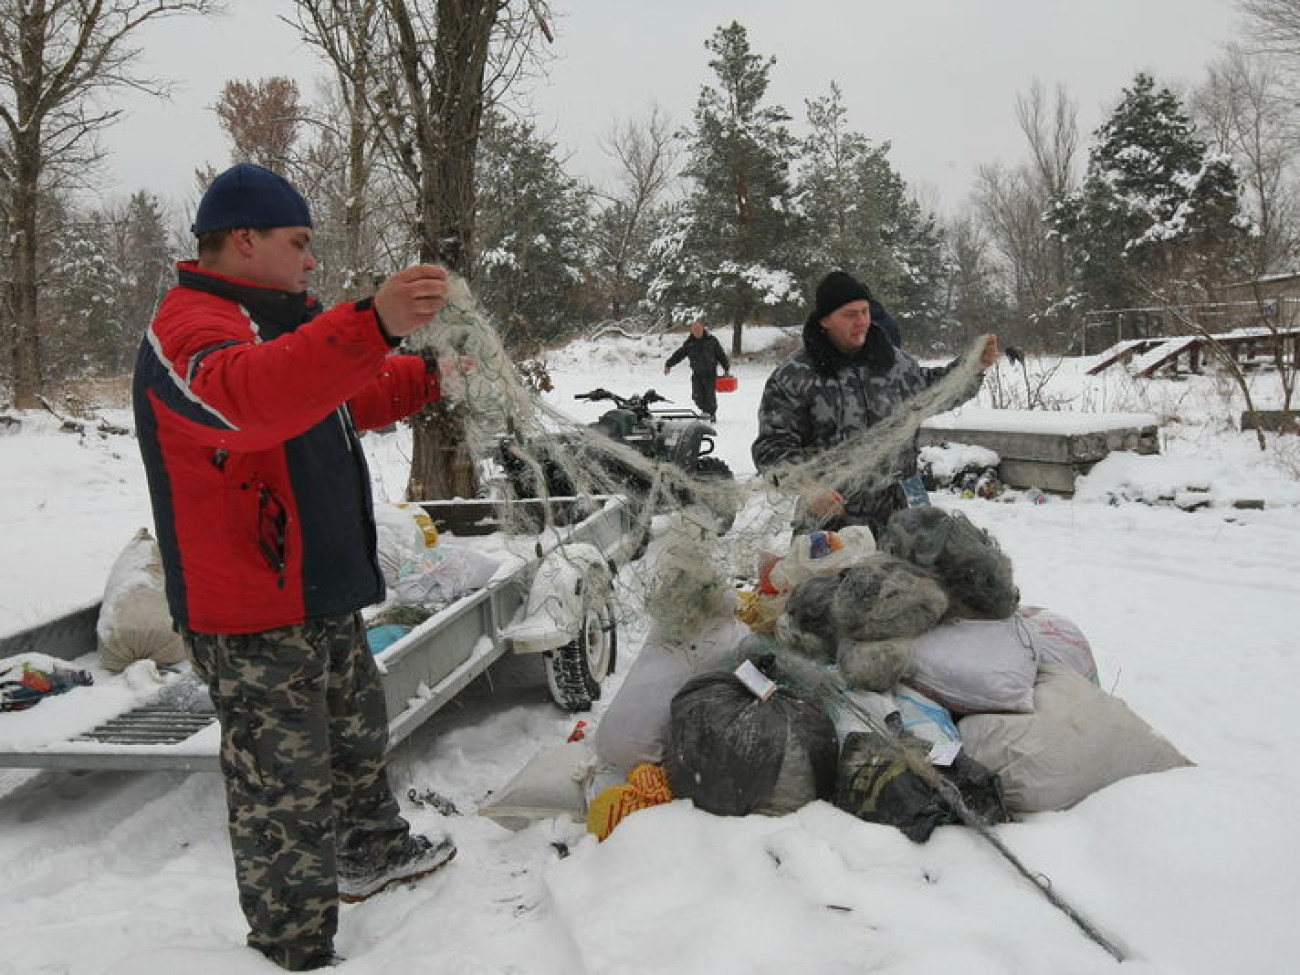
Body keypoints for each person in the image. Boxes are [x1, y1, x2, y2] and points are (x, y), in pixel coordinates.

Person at [133, 163, 456, 972]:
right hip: (248, 603)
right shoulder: (192, 328)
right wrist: (372, 321)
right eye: (299, 242)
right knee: (285, 786)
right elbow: (251, 400)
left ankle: (371, 850)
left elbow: (352, 392)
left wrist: (435, 375)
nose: (313, 260)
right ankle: (291, 943)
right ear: (244, 238)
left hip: (318, 581)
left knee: (353, 737)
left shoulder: (283, 321)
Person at [752, 270, 999, 537]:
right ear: (825, 320)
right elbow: (771, 450)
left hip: (899, 521)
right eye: (850, 314)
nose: (861, 321)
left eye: (865, 311)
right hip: (832, 524)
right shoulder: (795, 376)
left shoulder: (894, 364)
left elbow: (934, 392)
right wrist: (810, 487)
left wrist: (972, 367)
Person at [663, 320, 731, 421]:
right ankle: (705, 411)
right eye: (694, 330)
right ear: (692, 331)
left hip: (710, 373)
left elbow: (721, 355)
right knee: (697, 396)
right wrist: (669, 364)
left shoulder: (712, 341)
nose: (697, 332)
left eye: (699, 329)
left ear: (703, 329)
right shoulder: (689, 343)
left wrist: (726, 368)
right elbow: (679, 355)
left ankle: (711, 414)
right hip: (697, 373)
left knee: (709, 396)